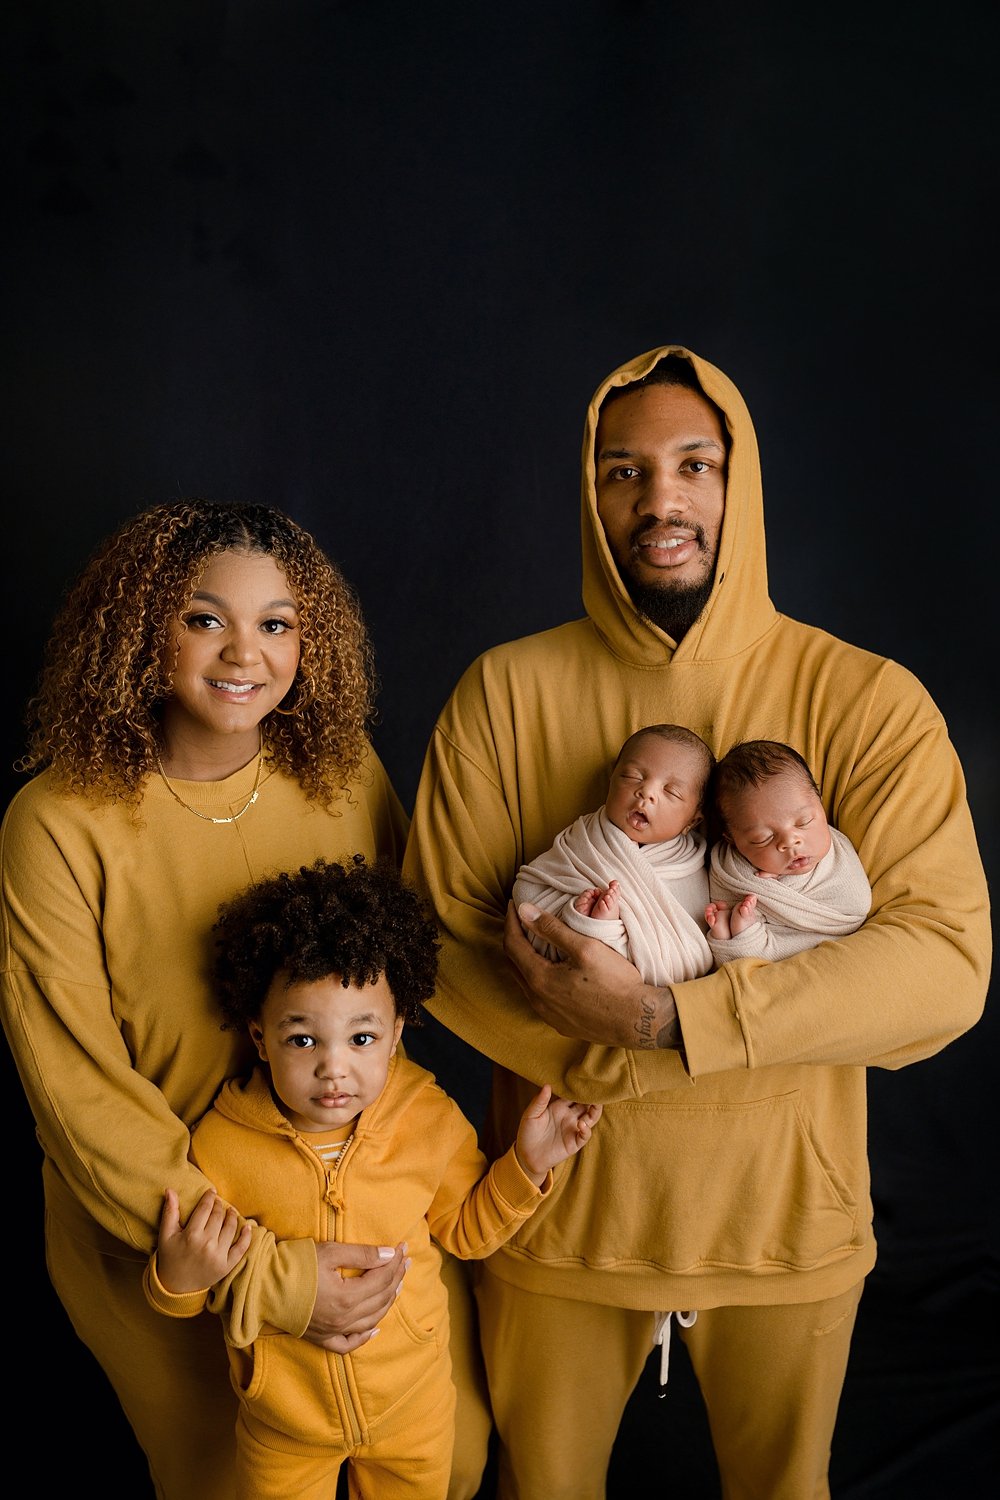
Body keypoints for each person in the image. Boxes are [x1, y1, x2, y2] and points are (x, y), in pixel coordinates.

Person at [403, 346, 991, 1499]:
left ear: (742, 483)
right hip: (559, 1221)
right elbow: (436, 944)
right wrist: (617, 1041)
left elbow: (943, 966)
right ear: (590, 494)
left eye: (692, 466)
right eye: (622, 471)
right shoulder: (504, 693)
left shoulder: (865, 699)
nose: (659, 500)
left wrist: (674, 1017)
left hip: (788, 1222)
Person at [0, 499, 490, 1500]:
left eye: (276, 624)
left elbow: (401, 980)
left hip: (351, 1197)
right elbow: (76, 1088)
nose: (243, 654)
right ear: (141, 627)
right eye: (203, 617)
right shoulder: (56, 820)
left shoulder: (343, 777)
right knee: (230, 1479)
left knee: (454, 1458)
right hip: (172, 1234)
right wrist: (264, 1279)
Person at [148, 854, 600, 1500]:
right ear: (259, 1036)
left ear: (393, 1037)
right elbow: (195, 1287)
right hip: (284, 1423)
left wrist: (528, 1165)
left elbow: (466, 1231)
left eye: (361, 1040)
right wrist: (175, 1278)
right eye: (303, 1041)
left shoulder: (427, 1120)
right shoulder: (222, 1146)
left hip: (410, 1408)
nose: (334, 1070)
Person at [512, 723, 714, 986]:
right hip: (565, 946)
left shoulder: (688, 863)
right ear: (611, 779)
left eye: (671, 791)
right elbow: (533, 886)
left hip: (641, 976)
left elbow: (688, 952)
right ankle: (594, 929)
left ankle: (602, 934)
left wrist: (605, 930)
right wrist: (574, 914)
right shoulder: (586, 836)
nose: (647, 792)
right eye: (632, 776)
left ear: (692, 822)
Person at [704, 739, 872, 960]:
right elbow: (725, 894)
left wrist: (784, 884)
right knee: (734, 931)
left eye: (803, 822)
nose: (790, 841)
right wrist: (762, 888)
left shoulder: (835, 851)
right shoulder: (731, 869)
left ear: (819, 803)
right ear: (732, 840)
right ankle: (745, 935)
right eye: (763, 838)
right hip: (772, 942)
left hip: (835, 943)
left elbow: (856, 906)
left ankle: (746, 938)